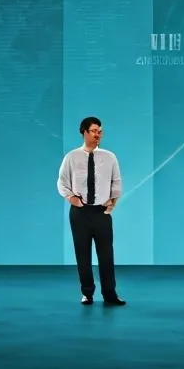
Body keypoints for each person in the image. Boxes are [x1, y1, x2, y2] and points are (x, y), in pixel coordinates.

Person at [58, 116, 126, 306]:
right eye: (94, 131)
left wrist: (113, 202)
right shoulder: (71, 157)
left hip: (101, 213)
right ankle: (87, 293)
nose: (98, 134)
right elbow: (62, 182)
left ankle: (110, 294)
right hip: (80, 213)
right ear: (84, 132)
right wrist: (72, 199)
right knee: (83, 254)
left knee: (106, 255)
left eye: (100, 131)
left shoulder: (109, 157)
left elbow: (116, 181)